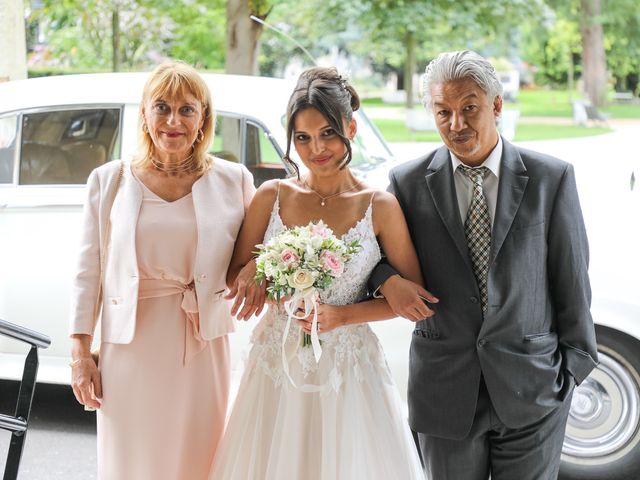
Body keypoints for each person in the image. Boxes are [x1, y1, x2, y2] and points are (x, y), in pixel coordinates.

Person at [369, 50, 599, 480]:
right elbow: (373, 261)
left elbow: (572, 282)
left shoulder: (552, 179)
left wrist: (570, 373)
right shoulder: (406, 183)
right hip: (444, 393)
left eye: (469, 108)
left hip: (534, 390)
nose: (456, 125)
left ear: (495, 104)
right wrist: (387, 281)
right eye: (443, 112)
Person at [210, 67, 429, 479]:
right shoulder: (271, 196)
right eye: (303, 138)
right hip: (277, 363)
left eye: (328, 133)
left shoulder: (379, 206)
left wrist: (345, 315)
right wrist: (262, 269)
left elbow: (411, 298)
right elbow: (234, 274)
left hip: (348, 369)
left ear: (351, 126)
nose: (316, 149)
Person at [68, 61, 255, 480]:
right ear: (143, 114)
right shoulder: (107, 181)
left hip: (203, 344)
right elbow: (87, 271)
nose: (174, 121)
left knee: (200, 458)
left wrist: (256, 269)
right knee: (133, 461)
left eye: (187, 110)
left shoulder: (234, 180)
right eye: (162, 107)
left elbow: (259, 251)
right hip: (130, 348)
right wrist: (80, 354)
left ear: (204, 119)